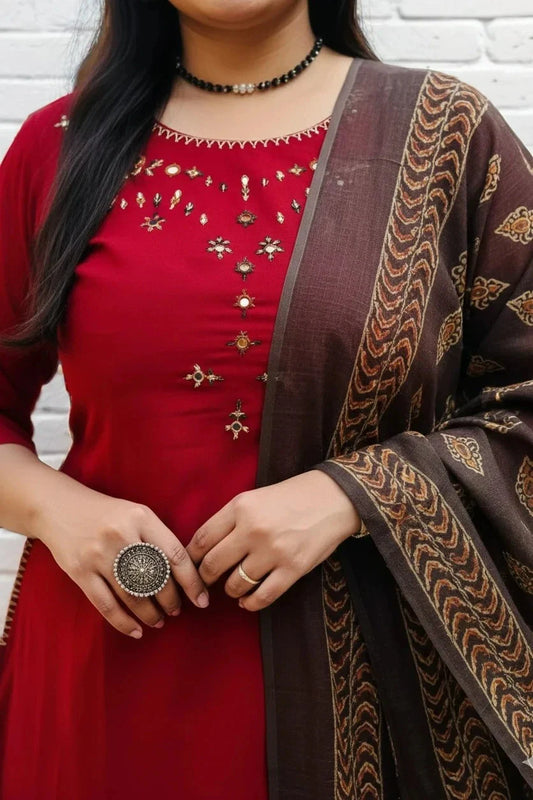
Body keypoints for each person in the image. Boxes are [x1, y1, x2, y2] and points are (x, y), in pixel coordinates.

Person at [0, 0, 532, 798]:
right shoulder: (60, 145)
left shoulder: (445, 136)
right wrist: (55, 511)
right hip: (104, 679)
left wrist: (351, 494)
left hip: (369, 680)